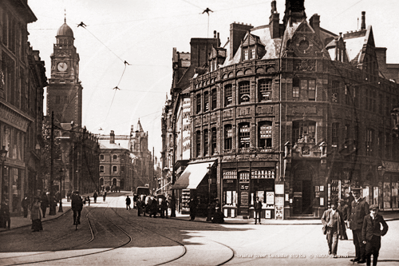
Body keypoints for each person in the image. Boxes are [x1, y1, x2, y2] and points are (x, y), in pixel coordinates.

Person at [348, 187, 369, 264]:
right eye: (354, 194)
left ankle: (363, 258)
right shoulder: (353, 202)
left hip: (361, 227)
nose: (355, 195)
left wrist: (366, 226)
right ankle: (357, 256)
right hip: (354, 226)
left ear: (359, 194)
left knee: (361, 242)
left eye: (356, 193)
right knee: (356, 242)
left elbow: (367, 216)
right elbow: (351, 214)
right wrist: (349, 222)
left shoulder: (364, 203)